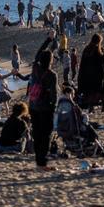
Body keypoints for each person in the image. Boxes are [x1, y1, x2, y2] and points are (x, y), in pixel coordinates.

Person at [28, 37, 59, 171]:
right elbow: (54, 94)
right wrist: (54, 107)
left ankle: (38, 161)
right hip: (45, 107)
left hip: (33, 105)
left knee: (37, 132)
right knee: (46, 134)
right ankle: (42, 163)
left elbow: (38, 54)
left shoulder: (35, 68)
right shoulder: (51, 75)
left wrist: (48, 40)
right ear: (51, 61)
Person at [76, 34, 104, 112]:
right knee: (102, 90)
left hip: (87, 74)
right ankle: (103, 107)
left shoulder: (87, 49)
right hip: (98, 74)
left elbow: (83, 63)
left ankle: (91, 108)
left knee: (91, 91)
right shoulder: (97, 49)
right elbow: (101, 61)